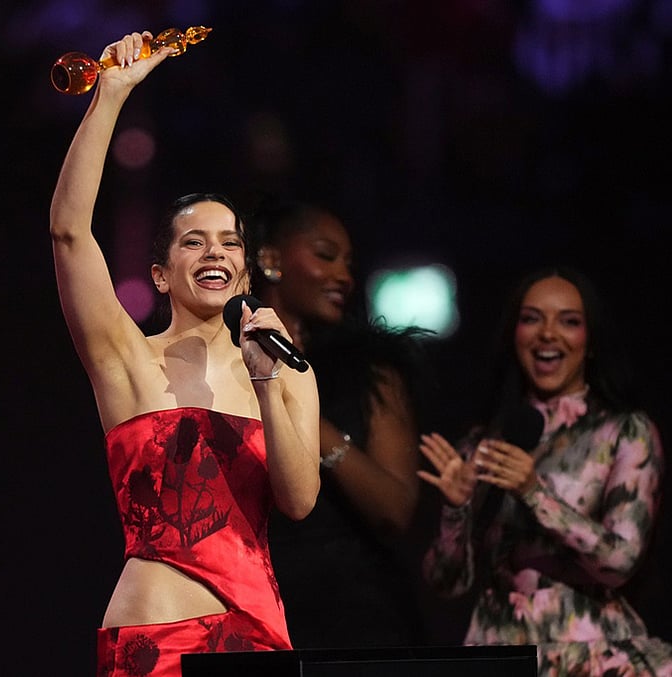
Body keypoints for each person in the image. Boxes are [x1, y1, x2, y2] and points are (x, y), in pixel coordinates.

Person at [49, 32, 322, 677]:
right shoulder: (127, 360)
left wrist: (264, 381)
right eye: (193, 243)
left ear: (247, 273)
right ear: (162, 273)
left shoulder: (284, 368)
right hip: (155, 636)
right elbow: (68, 231)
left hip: (255, 632)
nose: (214, 254)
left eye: (228, 243)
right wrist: (110, 96)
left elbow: (299, 500)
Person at [418, 265, 672, 675]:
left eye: (568, 321)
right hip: (500, 651)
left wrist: (535, 492)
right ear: (514, 335)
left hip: (592, 654)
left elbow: (621, 561)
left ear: (589, 342)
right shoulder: (484, 444)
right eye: (532, 318)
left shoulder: (624, 432)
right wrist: (455, 509)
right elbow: (447, 583)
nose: (548, 334)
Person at [248, 198, 435, 648]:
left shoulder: (371, 370)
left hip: (355, 620)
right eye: (325, 255)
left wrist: (302, 413)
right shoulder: (225, 367)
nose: (343, 276)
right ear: (271, 260)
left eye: (348, 264)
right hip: (255, 612)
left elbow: (394, 510)